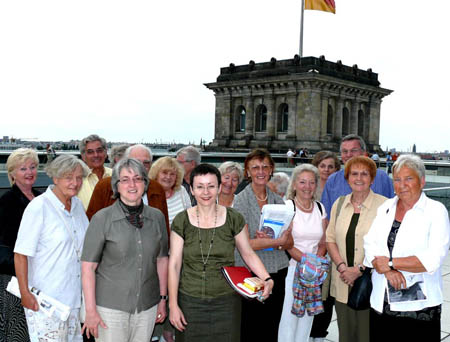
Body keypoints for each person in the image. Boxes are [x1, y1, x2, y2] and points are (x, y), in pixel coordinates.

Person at [168, 164, 274, 342]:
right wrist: (172, 305)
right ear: (192, 190)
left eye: (211, 186)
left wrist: (267, 278)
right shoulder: (182, 220)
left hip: (226, 302)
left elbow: (247, 253)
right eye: (200, 186)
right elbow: (174, 264)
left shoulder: (234, 218)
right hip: (190, 302)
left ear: (218, 188)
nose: (206, 192)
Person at [363, 154, 450, 342]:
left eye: (408, 178)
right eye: (397, 179)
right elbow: (369, 242)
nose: (402, 184)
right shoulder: (386, 207)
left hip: (419, 307)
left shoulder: (436, 211)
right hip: (383, 300)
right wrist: (388, 271)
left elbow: (433, 259)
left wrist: (391, 263)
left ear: (422, 181)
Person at [81, 158, 168, 342]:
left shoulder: (157, 217)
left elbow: (162, 260)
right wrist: (90, 310)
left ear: (145, 184)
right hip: (109, 309)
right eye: (125, 179)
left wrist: (162, 299)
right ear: (116, 185)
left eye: (137, 178)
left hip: (147, 306)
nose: (132, 184)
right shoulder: (102, 219)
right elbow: (88, 268)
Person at [14, 155, 90, 342]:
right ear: (55, 178)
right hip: (46, 301)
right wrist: (25, 293)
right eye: (68, 177)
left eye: (79, 177)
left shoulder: (78, 206)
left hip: (74, 299)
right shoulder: (39, 207)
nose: (75, 182)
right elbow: (20, 254)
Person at [233, 148, 293, 342]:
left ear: (271, 170)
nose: (261, 171)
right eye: (255, 167)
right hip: (250, 272)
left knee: (271, 325)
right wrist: (275, 242)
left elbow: (289, 241)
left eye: (265, 167)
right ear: (247, 172)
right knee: (251, 326)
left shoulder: (278, 201)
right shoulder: (240, 201)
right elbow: (246, 245)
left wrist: (268, 242)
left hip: (277, 270)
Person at [325, 156, 387, 342]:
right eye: (354, 173)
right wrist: (343, 268)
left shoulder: (385, 206)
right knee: (346, 335)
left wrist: (359, 270)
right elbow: (330, 239)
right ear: (347, 177)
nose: (359, 178)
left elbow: (386, 245)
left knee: (367, 335)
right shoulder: (339, 204)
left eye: (364, 174)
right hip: (342, 280)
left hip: (370, 282)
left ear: (372, 179)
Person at [278, 164, 327, 342]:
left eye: (312, 182)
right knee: (288, 321)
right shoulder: (287, 207)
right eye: (302, 182)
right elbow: (286, 242)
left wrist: (314, 264)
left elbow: (323, 241)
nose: (307, 187)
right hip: (291, 271)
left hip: (313, 274)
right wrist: (308, 262)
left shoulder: (320, 208)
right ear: (295, 185)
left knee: (307, 320)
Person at [0, 148, 40, 341]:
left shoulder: (43, 199)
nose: (29, 172)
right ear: (12, 174)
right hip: (15, 276)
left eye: (32, 167)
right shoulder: (6, 202)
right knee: (18, 329)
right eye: (23, 168)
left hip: (40, 275)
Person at [149, 156, 191, 342]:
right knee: (157, 294)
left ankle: (170, 332)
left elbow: (190, 218)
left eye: (172, 174)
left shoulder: (182, 192)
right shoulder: (149, 192)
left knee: (175, 293)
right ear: (156, 174)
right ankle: (154, 333)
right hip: (154, 255)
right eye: (164, 173)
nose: (168, 177)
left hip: (178, 254)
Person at [86, 144, 169, 237]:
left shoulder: (157, 189)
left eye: (146, 163)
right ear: (124, 163)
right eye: (135, 162)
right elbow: (91, 225)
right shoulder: (104, 187)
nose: (140, 167)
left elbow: (164, 229)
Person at [78, 134, 112, 210]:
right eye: (90, 152)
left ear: (105, 153)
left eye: (99, 151)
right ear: (83, 157)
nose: (96, 155)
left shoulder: (116, 175)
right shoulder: (77, 179)